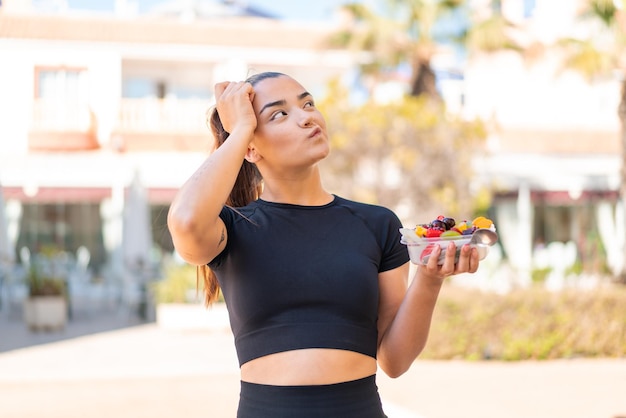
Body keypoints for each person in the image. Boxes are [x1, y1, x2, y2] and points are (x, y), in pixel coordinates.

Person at [167, 71, 481, 418]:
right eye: (280, 114)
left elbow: (394, 360)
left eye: (308, 104)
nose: (307, 117)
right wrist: (239, 130)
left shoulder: (377, 224)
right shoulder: (233, 228)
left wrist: (430, 279)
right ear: (251, 148)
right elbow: (184, 221)